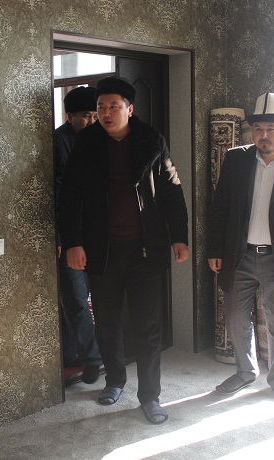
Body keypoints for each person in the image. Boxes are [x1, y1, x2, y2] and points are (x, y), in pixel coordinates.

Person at [58, 76, 189, 425]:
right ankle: (115, 379)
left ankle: (150, 396)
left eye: (113, 106)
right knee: (107, 322)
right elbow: (69, 197)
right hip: (101, 250)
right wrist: (73, 243)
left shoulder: (151, 141)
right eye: (101, 107)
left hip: (144, 250)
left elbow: (172, 190)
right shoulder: (86, 144)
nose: (106, 112)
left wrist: (180, 237)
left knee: (148, 326)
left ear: (130, 109)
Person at [207, 92, 274, 404]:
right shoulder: (236, 159)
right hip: (239, 255)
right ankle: (245, 371)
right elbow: (220, 207)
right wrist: (215, 249)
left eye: (271, 129)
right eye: (258, 129)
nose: (263, 135)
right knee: (236, 318)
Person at [53, 86, 102, 384]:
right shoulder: (59, 142)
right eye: (86, 115)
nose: (92, 120)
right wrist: (60, 238)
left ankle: (77, 354)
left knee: (92, 298)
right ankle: (91, 360)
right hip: (71, 236)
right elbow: (56, 193)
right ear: (69, 115)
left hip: (96, 234)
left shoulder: (99, 140)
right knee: (76, 299)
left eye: (95, 115)